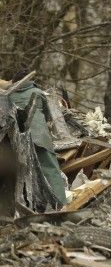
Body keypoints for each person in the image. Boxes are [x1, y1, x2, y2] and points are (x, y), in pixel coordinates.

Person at [3, 71, 67, 207]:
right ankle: (61, 205)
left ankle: (26, 206)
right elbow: (49, 116)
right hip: (40, 137)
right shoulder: (38, 93)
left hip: (17, 140)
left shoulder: (8, 96)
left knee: (21, 174)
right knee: (50, 169)